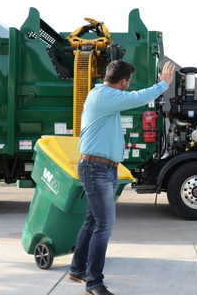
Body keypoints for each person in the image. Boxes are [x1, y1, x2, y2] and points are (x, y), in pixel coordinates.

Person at [68, 60, 176, 295]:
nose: (128, 86)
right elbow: (137, 98)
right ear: (124, 81)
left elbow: (131, 98)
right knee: (104, 225)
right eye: (128, 82)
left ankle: (77, 269)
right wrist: (163, 84)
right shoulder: (105, 96)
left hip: (101, 168)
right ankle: (94, 283)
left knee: (93, 222)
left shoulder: (104, 97)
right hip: (96, 169)